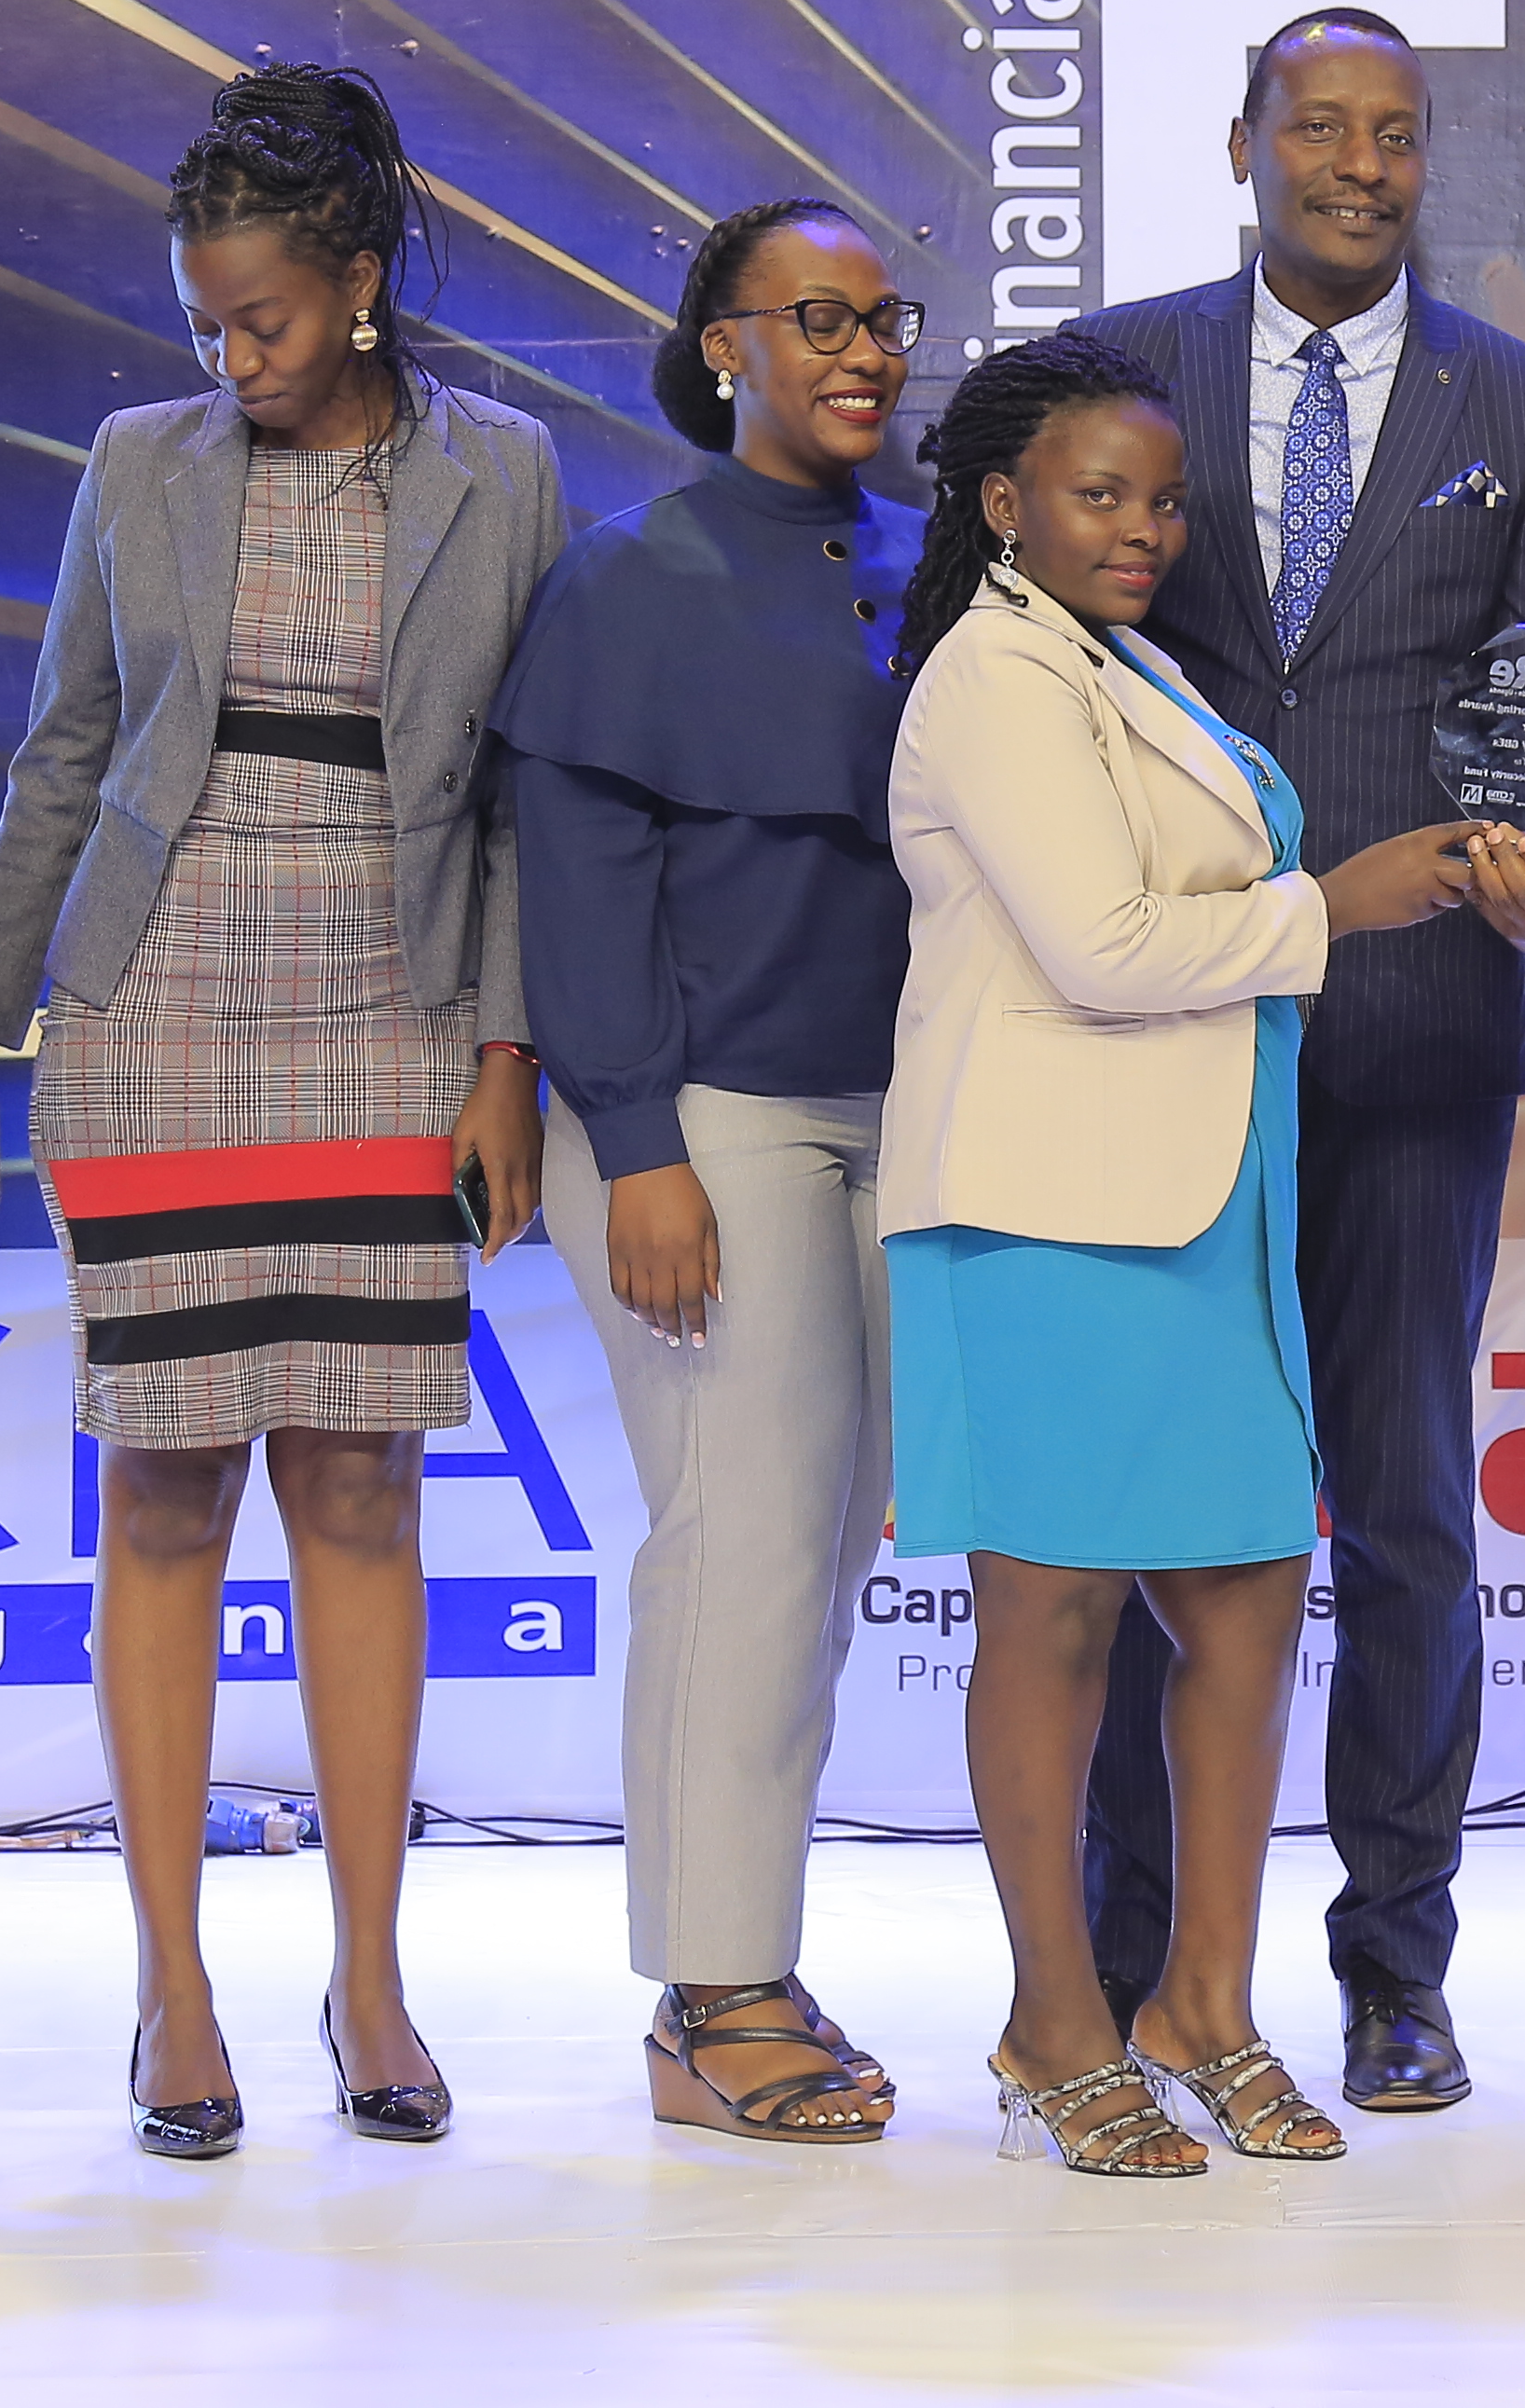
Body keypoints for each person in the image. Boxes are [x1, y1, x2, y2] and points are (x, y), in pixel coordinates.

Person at [0, 66, 569, 2161]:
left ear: (366, 282)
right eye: (206, 320)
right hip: (152, 1016)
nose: (231, 357)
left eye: (268, 318)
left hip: (386, 1016)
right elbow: (67, 753)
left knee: (365, 1498)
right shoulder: (139, 465)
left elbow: (521, 790)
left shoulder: (505, 473)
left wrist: (505, 1052)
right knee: (159, 1496)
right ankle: (169, 1987)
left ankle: (374, 1979)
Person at [875, 332, 1483, 2179]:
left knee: (1240, 1606)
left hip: (1206, 1195)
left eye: (1160, 501)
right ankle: (1053, 2018)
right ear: (1002, 506)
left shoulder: (1127, 667)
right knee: (1050, 1625)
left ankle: (1202, 2006)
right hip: (1042, 1206)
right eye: (1099, 497)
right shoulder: (992, 678)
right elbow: (1107, 947)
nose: (1143, 530)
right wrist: (1342, 902)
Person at [1078, 8, 1525, 2114]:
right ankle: (1131, 1959)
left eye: (1396, 136)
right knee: (1145, 1522)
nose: (1360, 166)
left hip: (1410, 1039)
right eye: (1322, 128)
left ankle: (1398, 1967)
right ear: (1246, 144)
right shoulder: (1115, 381)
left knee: (1401, 1517)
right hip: (1164, 1027)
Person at [492, 198, 929, 2142]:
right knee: (742, 1540)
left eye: (884, 320)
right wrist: (641, 1141)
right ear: (722, 344)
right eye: (815, 318)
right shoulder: (627, 578)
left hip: (910, 1114)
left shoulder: (950, 567)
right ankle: (710, 1992)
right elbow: (574, 885)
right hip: (704, 1119)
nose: (860, 352)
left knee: (829, 1551)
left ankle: (749, 1947)